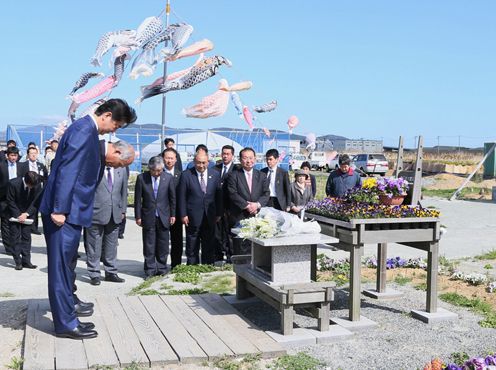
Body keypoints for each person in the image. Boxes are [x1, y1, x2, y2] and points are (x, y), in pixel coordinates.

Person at [40, 98, 137, 340]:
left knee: (65, 266)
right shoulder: (85, 130)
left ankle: (67, 315)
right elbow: (67, 170)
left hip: (72, 211)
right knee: (60, 269)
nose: (114, 131)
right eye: (116, 125)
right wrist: (60, 209)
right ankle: (65, 323)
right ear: (106, 116)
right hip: (65, 212)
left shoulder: (87, 130)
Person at [84, 142, 130, 286]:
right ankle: (94, 273)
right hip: (96, 212)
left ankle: (111, 271)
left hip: (115, 213)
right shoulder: (94, 168)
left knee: (112, 244)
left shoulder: (121, 169)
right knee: (94, 245)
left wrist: (123, 210)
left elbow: (123, 191)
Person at [134, 156, 176, 278]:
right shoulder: (142, 178)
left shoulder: (168, 178)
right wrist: (138, 216)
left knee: (163, 243)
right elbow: (137, 200)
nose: (157, 173)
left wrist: (173, 214)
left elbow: (172, 198)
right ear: (149, 168)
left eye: (159, 171)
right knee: (149, 244)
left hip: (164, 215)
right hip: (148, 215)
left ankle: (162, 267)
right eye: (154, 171)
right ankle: (150, 269)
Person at [178, 151, 222, 265]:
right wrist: (183, 214)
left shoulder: (215, 174)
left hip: (210, 215)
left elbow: (218, 195)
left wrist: (219, 213)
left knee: (209, 243)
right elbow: (182, 196)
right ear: (194, 162)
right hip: (192, 216)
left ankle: (208, 267)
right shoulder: (186, 175)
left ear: (208, 162)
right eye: (198, 163)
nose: (201, 165)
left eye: (204, 162)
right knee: (192, 243)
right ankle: (192, 267)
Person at [226, 147, 270, 255]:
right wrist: (247, 206)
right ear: (240, 160)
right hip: (239, 216)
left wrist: (257, 205)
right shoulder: (233, 175)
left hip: (257, 216)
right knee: (240, 246)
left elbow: (266, 193)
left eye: (251, 158)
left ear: (255, 159)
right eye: (245, 158)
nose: (248, 161)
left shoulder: (262, 176)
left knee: (256, 247)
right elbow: (232, 193)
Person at [7, 171, 43, 270]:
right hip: (14, 215)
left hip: (27, 215)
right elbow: (10, 200)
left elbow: (36, 202)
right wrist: (18, 215)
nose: (31, 188)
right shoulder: (13, 183)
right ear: (26, 181)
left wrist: (26, 213)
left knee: (26, 238)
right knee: (15, 237)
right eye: (30, 185)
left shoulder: (37, 184)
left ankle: (26, 261)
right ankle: (18, 261)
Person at [213, 145, 236, 263]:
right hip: (217, 206)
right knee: (217, 233)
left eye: (228, 154)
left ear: (232, 155)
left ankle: (230, 256)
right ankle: (217, 256)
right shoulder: (215, 169)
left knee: (229, 233)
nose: (225, 156)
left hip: (230, 207)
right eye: (223, 153)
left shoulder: (236, 169)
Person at [19, 146, 49, 234]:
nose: (33, 155)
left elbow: (45, 177)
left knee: (35, 207)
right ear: (28, 155)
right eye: (31, 153)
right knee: (25, 206)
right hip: (26, 188)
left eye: (35, 153)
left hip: (38, 189)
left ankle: (34, 227)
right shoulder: (23, 165)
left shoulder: (40, 165)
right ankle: (24, 225)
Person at [162, 147, 183, 269]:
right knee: (162, 240)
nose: (169, 161)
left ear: (176, 160)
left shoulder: (181, 175)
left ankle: (176, 265)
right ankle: (160, 265)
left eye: (172, 158)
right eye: (167, 158)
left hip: (177, 213)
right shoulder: (158, 173)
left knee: (177, 240)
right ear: (163, 159)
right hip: (162, 212)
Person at [0, 146, 22, 255]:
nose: (14, 158)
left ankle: (16, 244)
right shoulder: (1, 166)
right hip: (3, 198)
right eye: (12, 155)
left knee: (15, 222)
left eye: (15, 155)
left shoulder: (21, 166)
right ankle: (8, 247)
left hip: (17, 199)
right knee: (5, 222)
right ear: (7, 156)